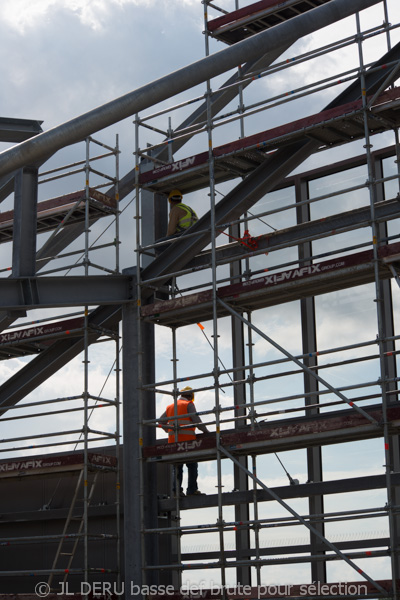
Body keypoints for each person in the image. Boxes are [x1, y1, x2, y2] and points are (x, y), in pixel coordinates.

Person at [159, 386, 209, 497]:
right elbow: (197, 421)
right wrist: (206, 431)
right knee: (192, 466)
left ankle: (176, 491)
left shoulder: (170, 407)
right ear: (191, 396)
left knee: (177, 467)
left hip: (173, 443)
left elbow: (160, 421)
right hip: (187, 442)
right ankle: (191, 490)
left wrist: (169, 430)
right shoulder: (189, 404)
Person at [155, 189, 198, 254]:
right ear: (180, 199)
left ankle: (169, 258)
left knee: (157, 245)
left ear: (170, 201)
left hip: (183, 236)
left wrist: (167, 240)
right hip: (195, 236)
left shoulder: (175, 209)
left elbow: (171, 231)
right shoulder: (189, 209)